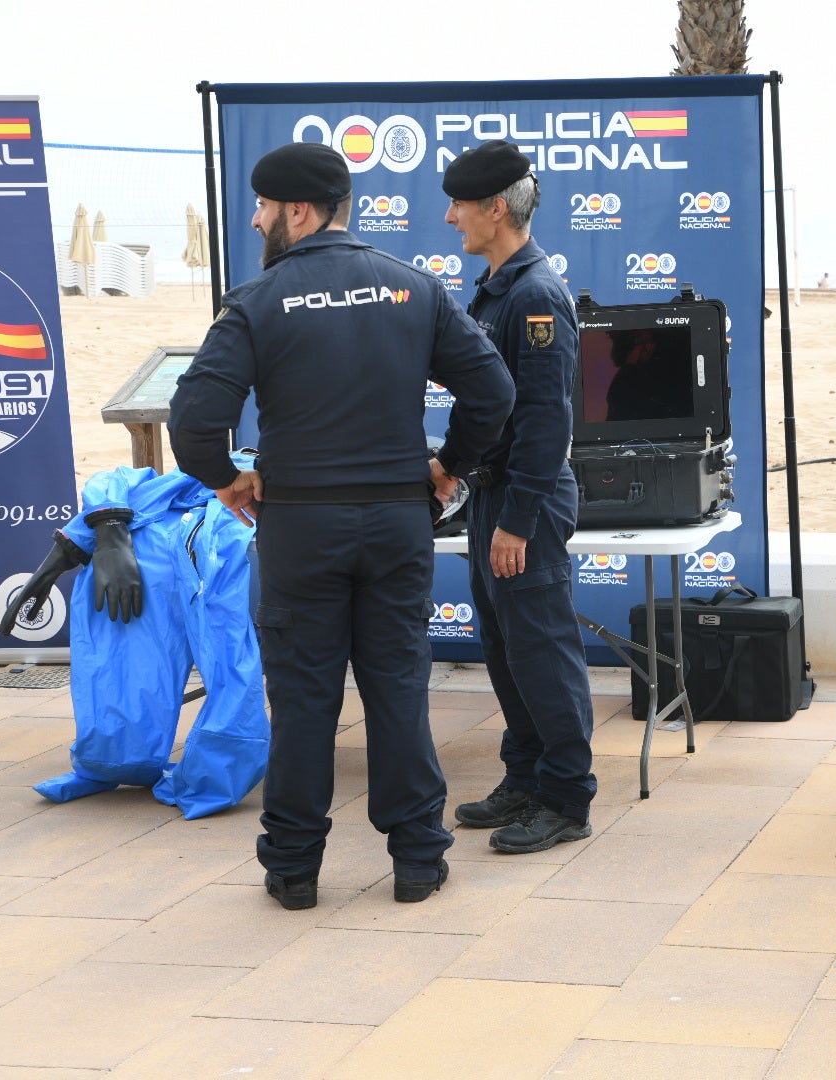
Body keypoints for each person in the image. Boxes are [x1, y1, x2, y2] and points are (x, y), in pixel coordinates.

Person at [168, 141, 515, 909]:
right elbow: (491, 388)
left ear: (297, 211)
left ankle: (293, 871)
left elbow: (192, 423)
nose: (255, 220)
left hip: (300, 530)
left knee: (302, 700)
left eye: (261, 207)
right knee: (397, 688)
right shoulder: (413, 288)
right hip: (398, 522)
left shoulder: (258, 300)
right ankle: (418, 859)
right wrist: (449, 465)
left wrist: (229, 482)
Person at [441, 140, 598, 854]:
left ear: (494, 209)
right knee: (506, 650)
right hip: (493, 498)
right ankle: (527, 776)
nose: (452, 218)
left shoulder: (535, 295)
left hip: (521, 504)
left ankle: (565, 799)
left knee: (541, 651)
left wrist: (518, 521)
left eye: (461, 206)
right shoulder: (500, 285)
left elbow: (545, 421)